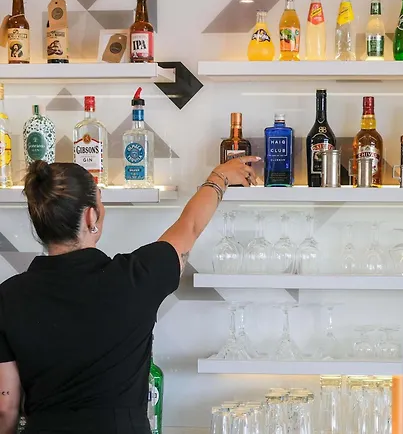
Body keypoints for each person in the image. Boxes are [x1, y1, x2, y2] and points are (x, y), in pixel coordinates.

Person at [0, 156, 259, 434]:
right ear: (90, 217)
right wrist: (219, 177)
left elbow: (5, 408)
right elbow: (190, 225)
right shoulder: (136, 277)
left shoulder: (8, 296)